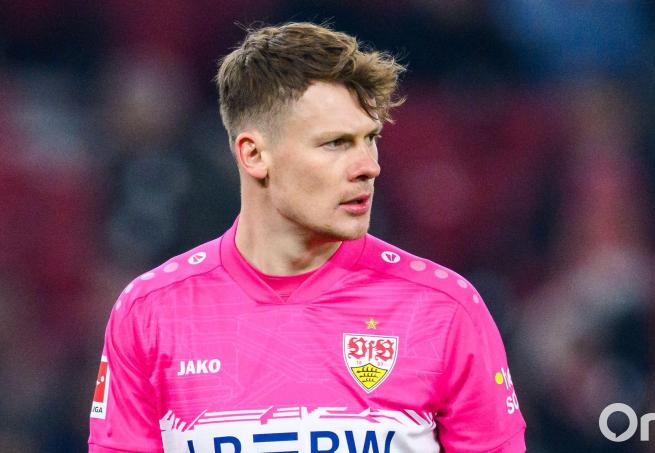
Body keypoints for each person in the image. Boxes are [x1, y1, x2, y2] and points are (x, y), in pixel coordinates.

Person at [88, 22, 525, 452]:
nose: (368, 166)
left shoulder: (443, 310)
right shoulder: (152, 314)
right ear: (254, 155)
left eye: (369, 138)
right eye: (335, 143)